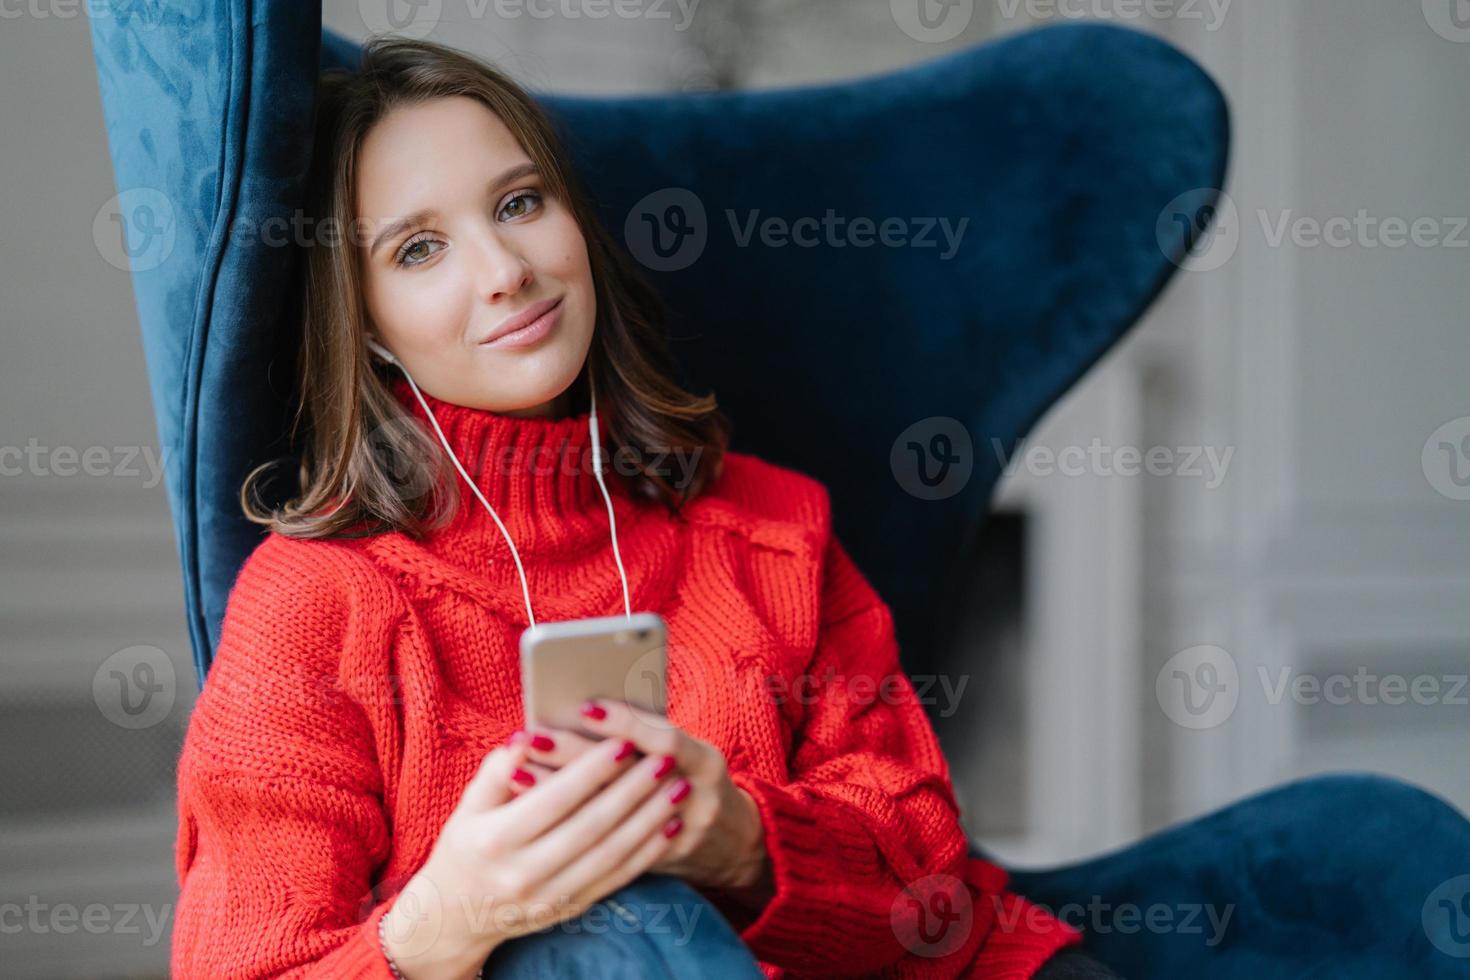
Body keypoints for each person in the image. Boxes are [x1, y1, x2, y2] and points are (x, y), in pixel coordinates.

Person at [168, 35, 1120, 979]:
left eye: (519, 203)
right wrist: (444, 922)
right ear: (367, 328)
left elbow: (931, 887)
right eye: (419, 249)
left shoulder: (772, 527)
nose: (504, 269)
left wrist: (743, 841)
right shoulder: (313, 602)